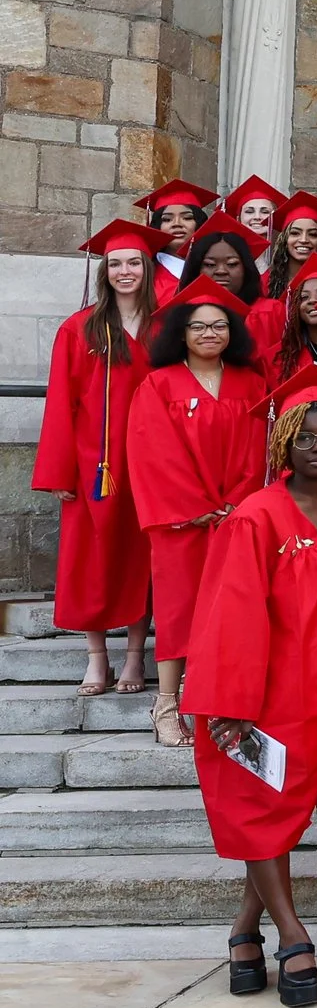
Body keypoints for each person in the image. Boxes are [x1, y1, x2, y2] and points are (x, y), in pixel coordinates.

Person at [186, 368, 317, 1008]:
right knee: (262, 816)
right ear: (282, 446)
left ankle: (243, 932)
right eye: (303, 438)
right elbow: (227, 613)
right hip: (262, 699)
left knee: (283, 819)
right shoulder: (256, 516)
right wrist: (225, 704)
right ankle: (293, 936)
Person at [128, 279, 269, 748]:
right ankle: (166, 705)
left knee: (231, 610)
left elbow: (259, 451)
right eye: (199, 327)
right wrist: (199, 507)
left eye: (220, 325)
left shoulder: (251, 383)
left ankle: (216, 702)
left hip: (237, 517)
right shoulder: (158, 383)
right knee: (178, 610)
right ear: (181, 334)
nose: (210, 333)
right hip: (181, 521)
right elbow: (153, 452)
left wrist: (238, 503)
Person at [38, 220, 159, 699]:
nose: (124, 271)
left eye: (133, 263)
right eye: (115, 264)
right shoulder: (79, 327)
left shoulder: (165, 326)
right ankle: (97, 657)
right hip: (94, 465)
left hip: (148, 464)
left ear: (147, 269)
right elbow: (60, 401)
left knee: (138, 558)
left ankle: (133, 655)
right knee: (89, 557)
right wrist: (59, 470)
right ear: (103, 271)